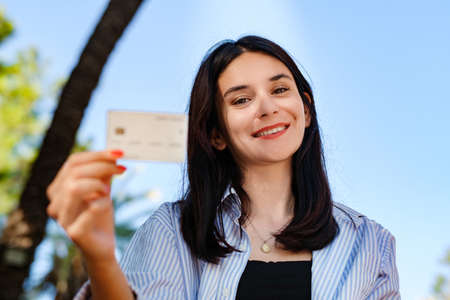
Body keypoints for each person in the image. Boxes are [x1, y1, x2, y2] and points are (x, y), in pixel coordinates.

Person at [46, 35, 400, 299]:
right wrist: (101, 256)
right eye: (242, 99)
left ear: (305, 110)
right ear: (216, 134)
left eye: (279, 90)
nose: (267, 107)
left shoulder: (370, 243)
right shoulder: (172, 229)